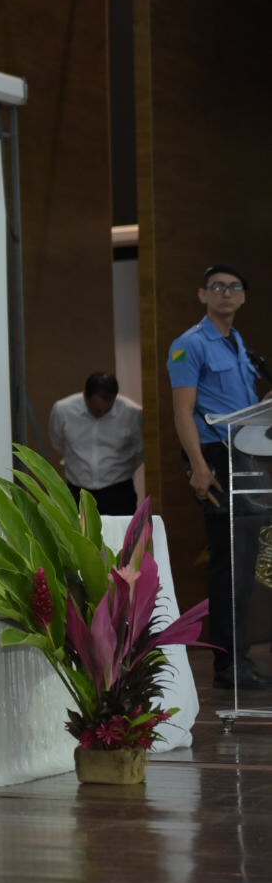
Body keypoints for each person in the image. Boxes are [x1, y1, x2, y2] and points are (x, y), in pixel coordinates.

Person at [168, 263, 269, 690]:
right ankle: (229, 666)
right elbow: (183, 410)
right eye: (217, 287)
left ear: (243, 297)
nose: (226, 293)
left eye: (233, 288)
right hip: (216, 457)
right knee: (229, 565)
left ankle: (239, 660)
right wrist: (199, 466)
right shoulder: (190, 345)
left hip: (245, 454)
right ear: (202, 295)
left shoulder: (236, 343)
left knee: (244, 563)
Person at [47, 372, 143, 516]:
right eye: (96, 409)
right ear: (85, 397)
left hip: (118, 491)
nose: (101, 413)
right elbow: (57, 441)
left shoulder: (132, 413)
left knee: (119, 536)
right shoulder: (63, 410)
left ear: (115, 398)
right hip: (77, 489)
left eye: (107, 409)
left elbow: (140, 450)